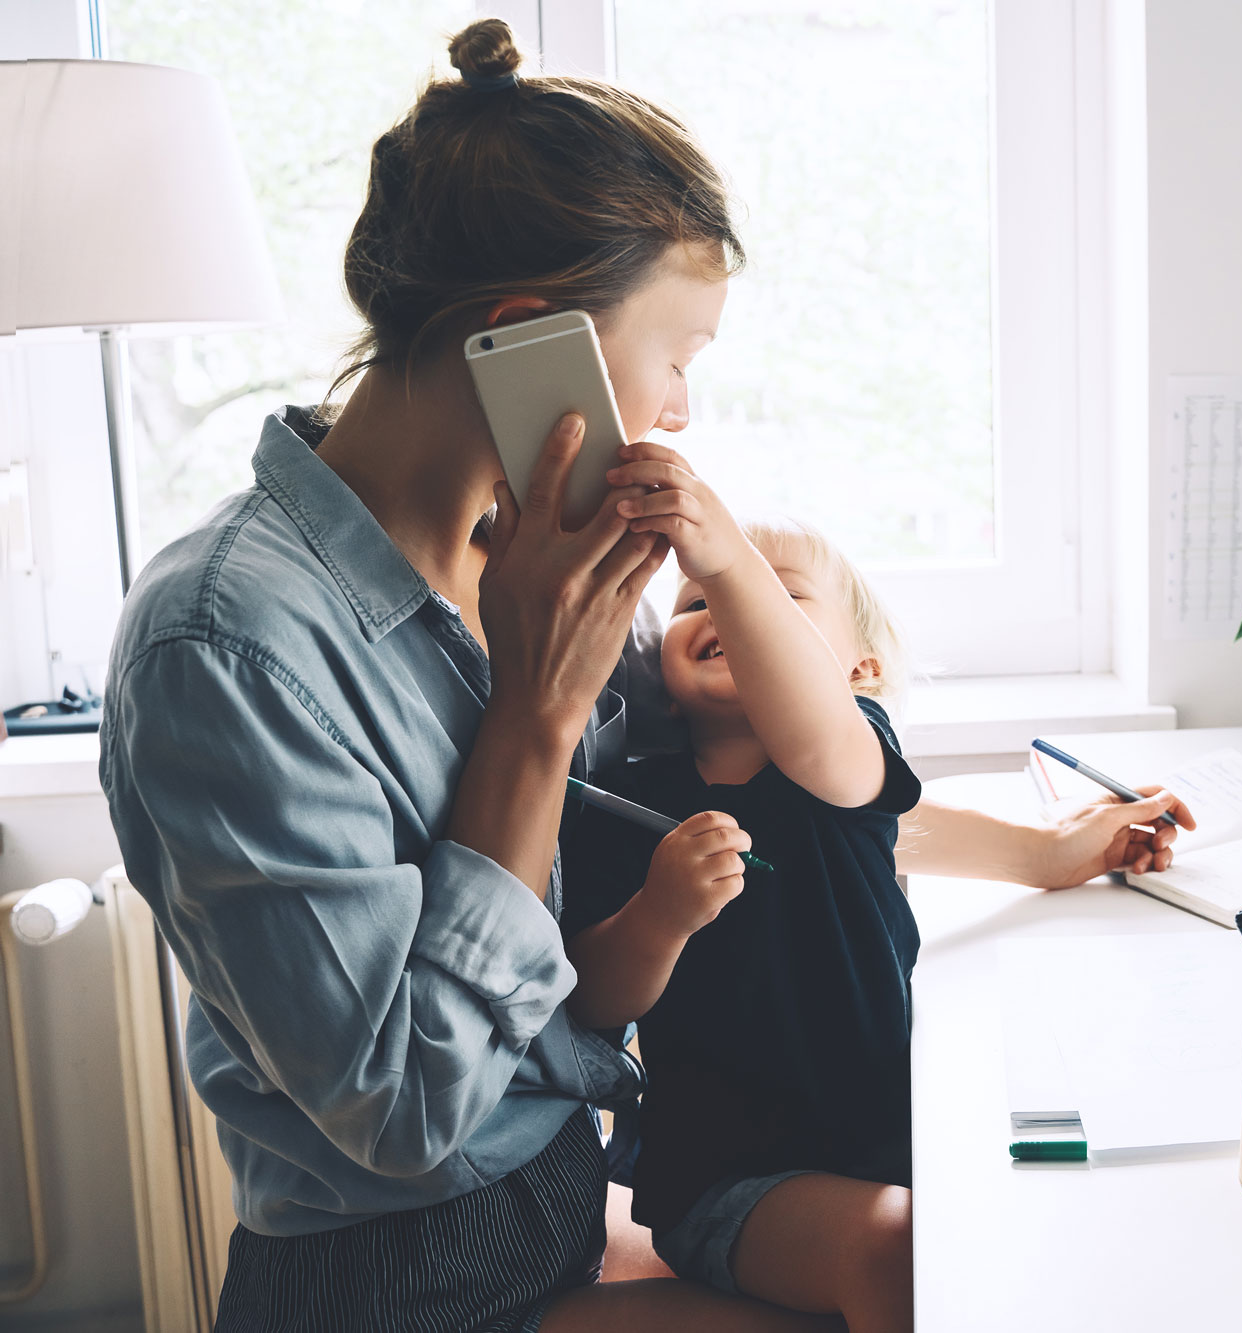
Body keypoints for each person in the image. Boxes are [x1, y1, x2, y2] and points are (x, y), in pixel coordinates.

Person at [97, 18, 833, 1331]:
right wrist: (535, 714)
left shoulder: (531, 552)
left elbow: (788, 757)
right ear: (524, 336)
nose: (676, 410)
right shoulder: (225, 645)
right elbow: (403, 1109)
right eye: (676, 358)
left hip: (567, 1197)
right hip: (405, 1276)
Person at [559, 507, 1193, 1333]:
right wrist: (660, 916)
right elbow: (599, 1001)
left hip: (895, 1135)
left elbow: (852, 779)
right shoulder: (635, 803)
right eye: (695, 601)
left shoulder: (850, 750)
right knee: (901, 1252)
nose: (721, 605)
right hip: (731, 1182)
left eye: (771, 598)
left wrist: (1052, 854)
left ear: (854, 674)